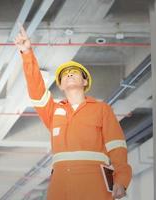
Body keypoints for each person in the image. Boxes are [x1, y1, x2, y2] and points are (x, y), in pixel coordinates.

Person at [14, 25, 132, 200]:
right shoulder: (54, 111)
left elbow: (117, 146)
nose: (69, 74)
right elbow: (36, 91)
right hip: (60, 184)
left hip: (94, 183)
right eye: (65, 74)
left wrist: (121, 180)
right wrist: (27, 53)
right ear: (60, 85)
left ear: (85, 81)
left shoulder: (101, 109)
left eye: (74, 72)